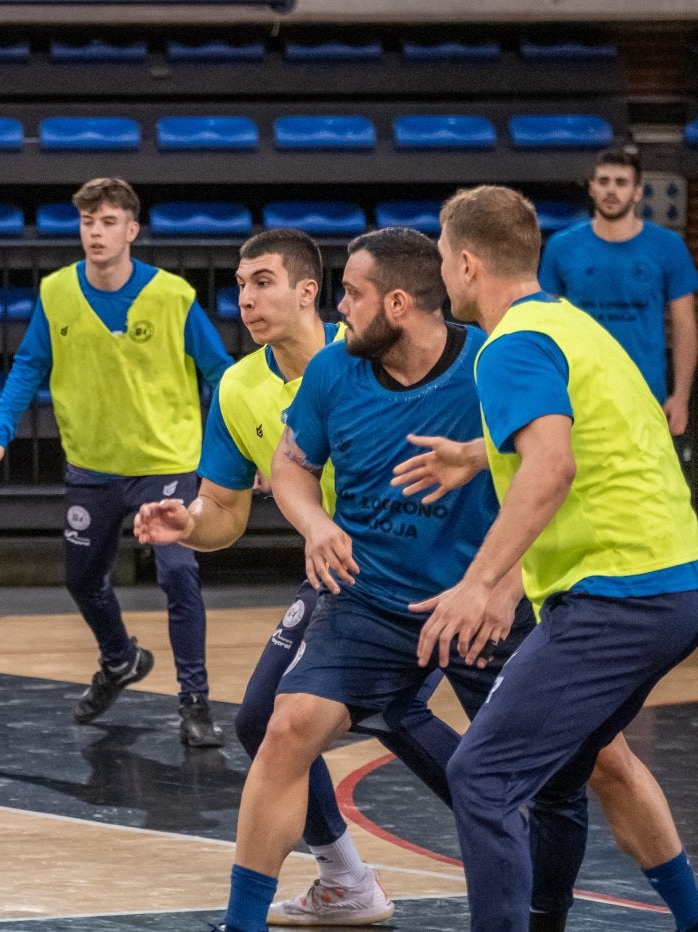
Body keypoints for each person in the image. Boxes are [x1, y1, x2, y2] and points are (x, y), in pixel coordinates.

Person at [216, 227, 593, 932]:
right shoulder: (334, 371)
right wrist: (316, 525)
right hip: (371, 597)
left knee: (566, 778)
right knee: (283, 725)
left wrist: (505, 587)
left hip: (483, 601)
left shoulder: (491, 362)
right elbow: (293, 466)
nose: (340, 309)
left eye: (352, 295)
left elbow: (556, 474)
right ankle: (245, 922)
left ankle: (552, 912)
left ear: (396, 303)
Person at [415, 184, 698, 932]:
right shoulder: (568, 324)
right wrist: (479, 455)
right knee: (574, 766)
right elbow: (584, 433)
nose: (442, 273)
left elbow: (552, 467)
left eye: (443, 258)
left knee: (480, 776)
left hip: (619, 596)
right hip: (671, 584)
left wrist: (480, 584)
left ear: (468, 264)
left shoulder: (508, 346)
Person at [0, 177, 233, 746]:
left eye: (109, 221)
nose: (96, 232)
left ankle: (195, 701)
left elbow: (222, 376)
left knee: (179, 575)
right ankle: (119, 659)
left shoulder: (172, 296)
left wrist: (240, 449)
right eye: (88, 222)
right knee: (82, 579)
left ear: (132, 230)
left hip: (166, 459)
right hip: (92, 465)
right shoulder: (57, 292)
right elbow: (27, 367)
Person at [539, 147, 698, 436]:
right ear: (591, 188)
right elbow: (545, 324)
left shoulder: (669, 247)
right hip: (578, 391)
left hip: (645, 393)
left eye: (621, 183)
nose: (611, 190)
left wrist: (682, 396)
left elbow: (685, 325)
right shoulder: (561, 247)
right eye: (603, 181)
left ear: (638, 192)